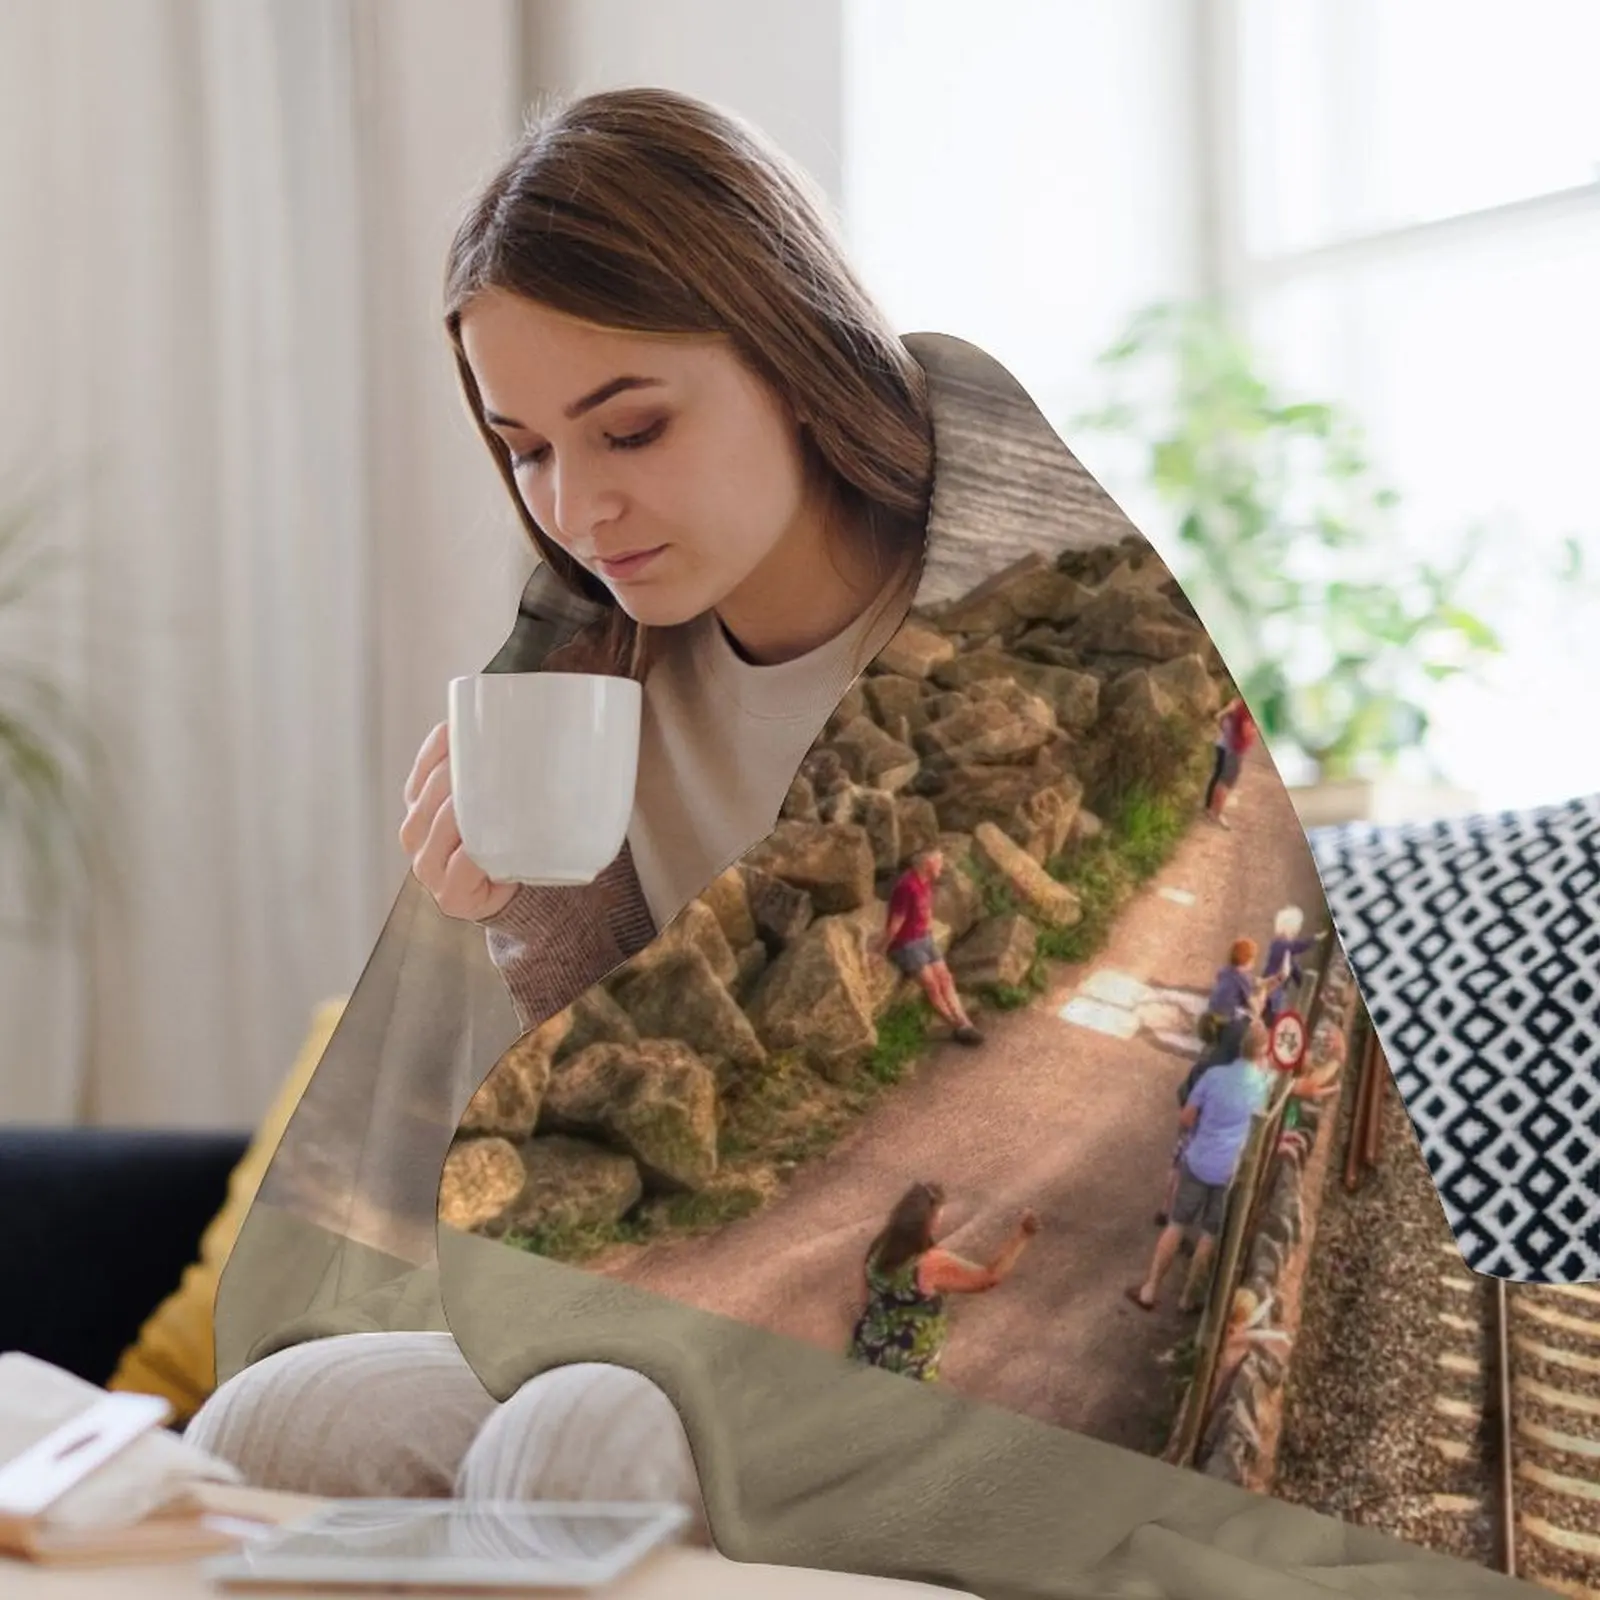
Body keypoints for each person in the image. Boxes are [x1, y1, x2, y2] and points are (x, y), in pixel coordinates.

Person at [193, 86, 936, 1514]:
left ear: (790, 353)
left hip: (935, 1338)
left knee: (579, 1441)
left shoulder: (1012, 629)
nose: (578, 512)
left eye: (633, 428)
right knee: (268, 1424)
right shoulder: (600, 677)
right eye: (527, 448)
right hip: (683, 1298)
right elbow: (622, 1135)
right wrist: (530, 912)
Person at [1127, 1022, 1336, 1314]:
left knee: (1177, 1224)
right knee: (1209, 1234)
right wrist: (1336, 1059)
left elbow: (1187, 1117)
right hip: (1230, 1171)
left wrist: (1204, 1131)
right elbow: (1302, 1086)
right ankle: (1189, 1298)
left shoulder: (1213, 1076)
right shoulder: (1265, 1083)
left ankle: (1149, 1290)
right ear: (1263, 1052)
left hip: (1198, 1161)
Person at [848, 1182, 1039, 1382]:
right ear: (931, 1220)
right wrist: (1022, 1236)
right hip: (909, 1366)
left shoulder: (879, 1246)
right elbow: (988, 1278)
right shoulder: (930, 1263)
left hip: (865, 1352)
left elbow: (864, 1300)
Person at [873, 849, 983, 1046]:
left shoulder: (925, 882)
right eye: (939, 862)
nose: (942, 866)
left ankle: (964, 1021)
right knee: (932, 985)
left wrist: (928, 928)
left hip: (924, 938)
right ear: (927, 864)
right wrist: (881, 949)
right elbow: (896, 923)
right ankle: (957, 1026)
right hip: (906, 944)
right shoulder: (906, 887)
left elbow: (925, 910)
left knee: (945, 978)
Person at [1259, 905, 1327, 1025]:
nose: (1297, 931)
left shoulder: (1287, 952)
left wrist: (1312, 990)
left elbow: (1296, 973)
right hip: (1271, 993)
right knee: (1270, 1024)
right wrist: (1314, 939)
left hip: (1277, 996)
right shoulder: (1280, 944)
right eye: (1296, 928)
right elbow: (1297, 946)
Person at [1203, 696, 1256, 828]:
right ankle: (1214, 810)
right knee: (1222, 780)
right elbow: (1244, 731)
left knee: (1219, 778)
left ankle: (1211, 808)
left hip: (1227, 747)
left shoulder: (1238, 707)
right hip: (1228, 748)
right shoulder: (1240, 709)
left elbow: (1221, 722)